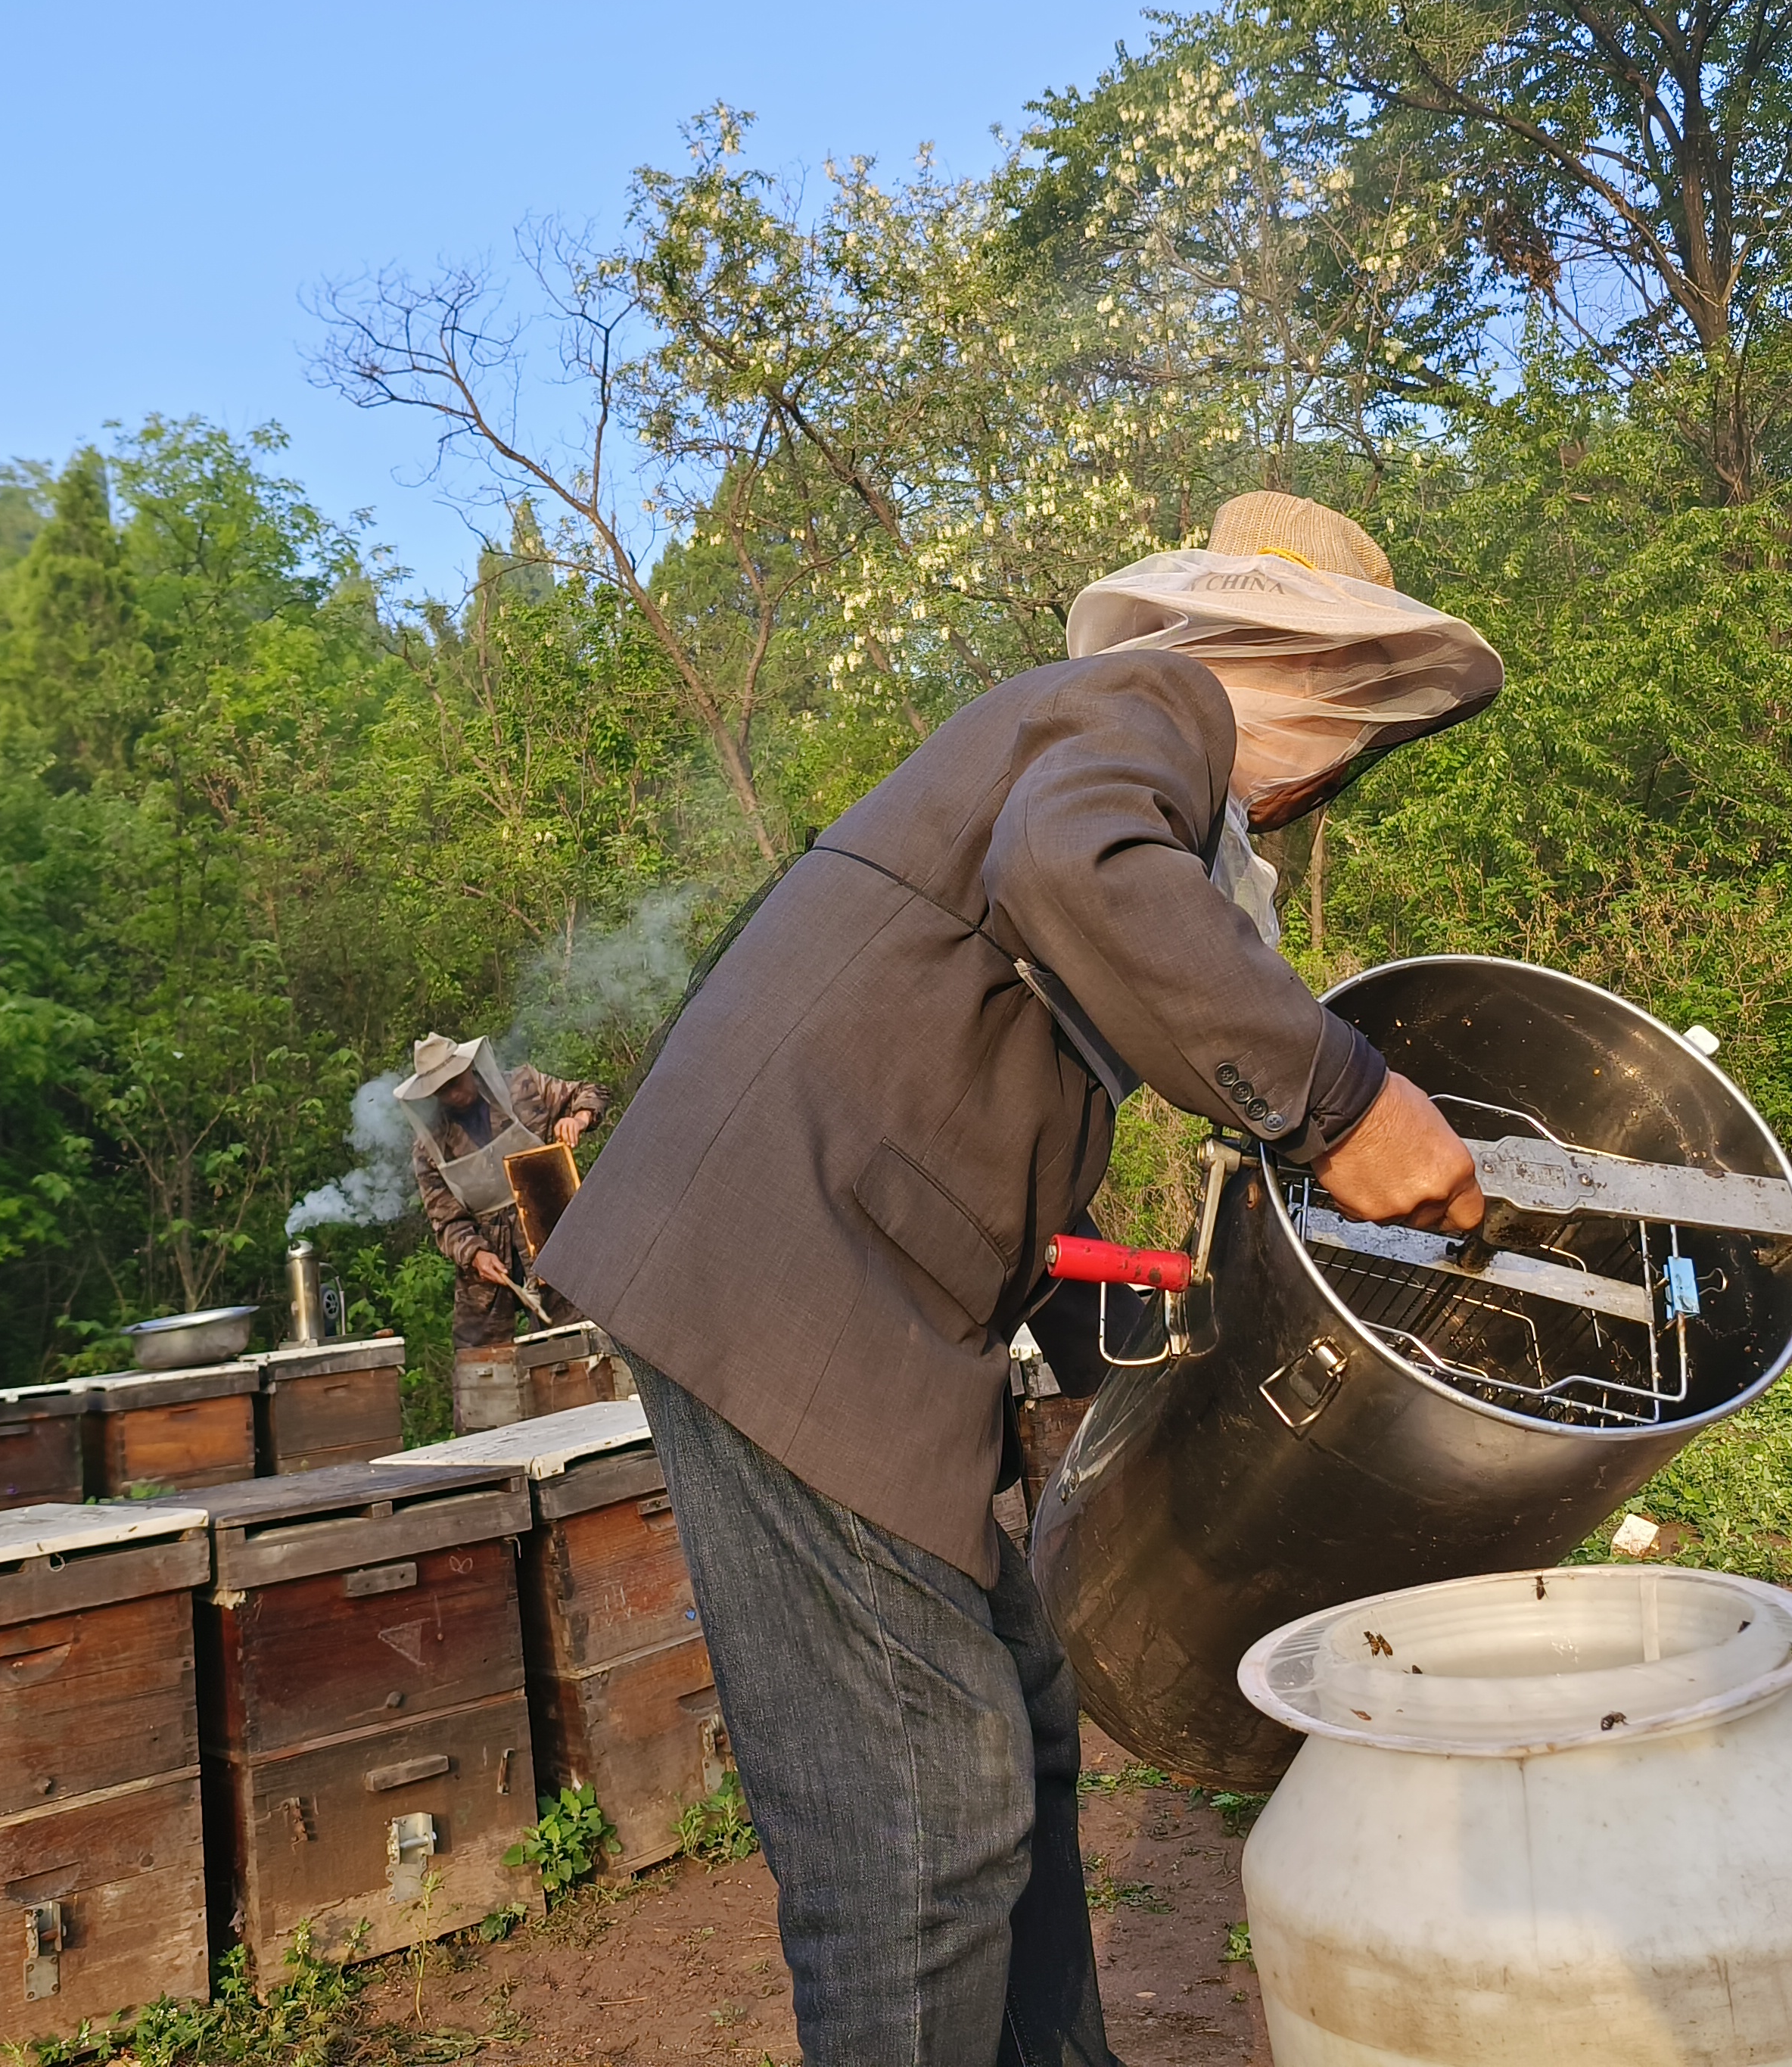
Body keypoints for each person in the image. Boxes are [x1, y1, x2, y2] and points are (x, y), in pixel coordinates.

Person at [534, 493, 1504, 2067]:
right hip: (790, 1285)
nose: (1329, 789)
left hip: (839, 1278)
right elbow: (1077, 869)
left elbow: (982, 1074)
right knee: (919, 1812)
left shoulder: (1091, 738)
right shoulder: (1152, 706)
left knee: (1011, 1718)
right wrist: (1341, 1099)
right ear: (1320, 698)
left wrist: (1116, 1346)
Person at [397, 1032, 605, 1413]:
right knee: (483, 1366)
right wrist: (474, 1253)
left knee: (573, 1342)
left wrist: (578, 1118)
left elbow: (589, 1092)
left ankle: (588, 1424)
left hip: (549, 1223)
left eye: (455, 1083)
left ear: (470, 1069)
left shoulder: (522, 1085)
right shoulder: (429, 1145)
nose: (453, 1095)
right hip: (489, 1255)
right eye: (442, 1091)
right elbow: (446, 1219)